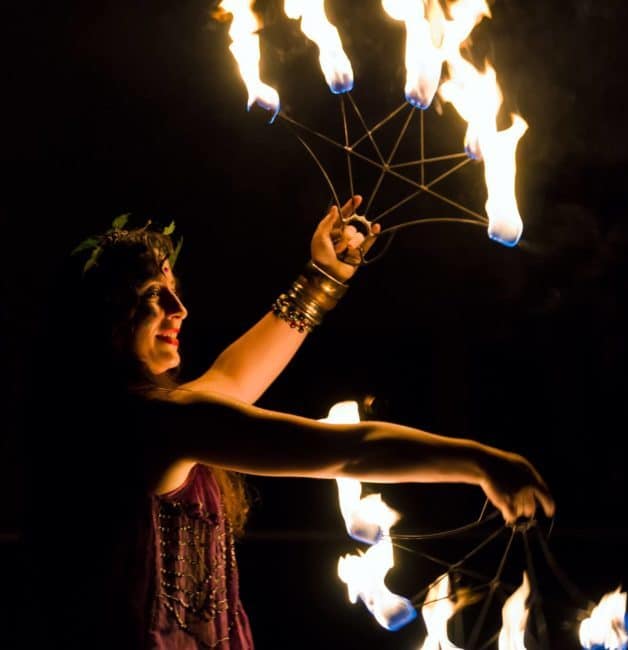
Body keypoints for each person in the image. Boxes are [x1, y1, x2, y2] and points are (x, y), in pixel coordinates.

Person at [21, 195, 554, 649]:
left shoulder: (167, 416)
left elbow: (236, 370)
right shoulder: (153, 425)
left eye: (174, 289)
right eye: (150, 298)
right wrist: (482, 462)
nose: (178, 309)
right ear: (106, 323)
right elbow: (350, 452)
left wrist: (326, 272)